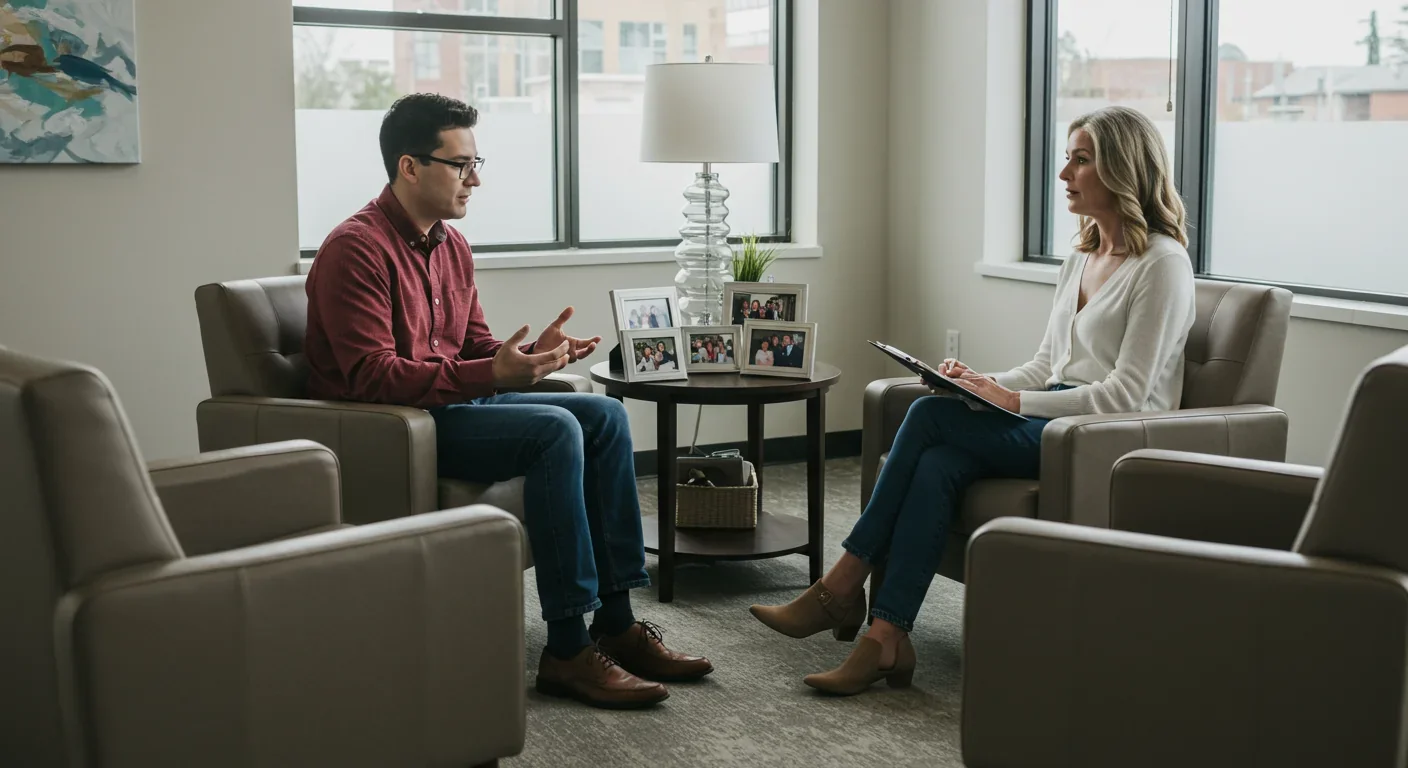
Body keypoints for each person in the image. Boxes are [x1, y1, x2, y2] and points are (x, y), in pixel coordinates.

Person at [749, 105, 1196, 695]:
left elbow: (1125, 396)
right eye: (1068, 157)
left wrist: (1011, 400)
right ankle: (886, 640)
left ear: (1122, 168)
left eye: (1080, 160)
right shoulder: (1082, 257)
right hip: (1054, 413)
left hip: (1099, 439)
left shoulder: (1161, 264)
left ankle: (843, 583)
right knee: (937, 459)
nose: (1065, 174)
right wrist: (978, 381)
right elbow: (1048, 365)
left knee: (929, 415)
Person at [303, 94, 711, 710]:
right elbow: (371, 376)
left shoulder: (451, 246)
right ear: (409, 167)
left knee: (603, 414)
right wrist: (491, 372)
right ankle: (569, 647)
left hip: (451, 409)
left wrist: (529, 359)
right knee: (555, 431)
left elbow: (472, 345)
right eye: (461, 164)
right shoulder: (354, 249)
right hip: (395, 427)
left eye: (477, 161)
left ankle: (618, 621)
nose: (476, 179)